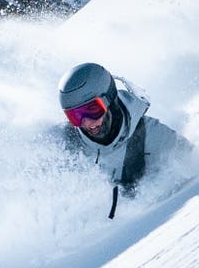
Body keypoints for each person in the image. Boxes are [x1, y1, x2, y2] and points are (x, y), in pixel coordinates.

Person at [59, 62, 180, 213]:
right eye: (75, 116)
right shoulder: (64, 143)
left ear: (109, 99)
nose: (87, 123)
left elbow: (191, 166)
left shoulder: (150, 135)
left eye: (93, 110)